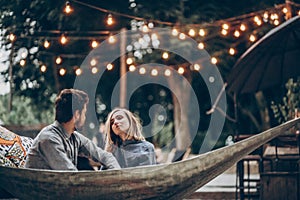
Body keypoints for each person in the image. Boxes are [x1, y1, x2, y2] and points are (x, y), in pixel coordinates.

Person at [25, 89, 120, 171]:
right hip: (38, 190)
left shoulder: (73, 136)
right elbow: (70, 176)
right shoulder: (49, 139)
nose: (84, 117)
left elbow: (104, 156)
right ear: (77, 115)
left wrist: (117, 175)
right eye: (84, 113)